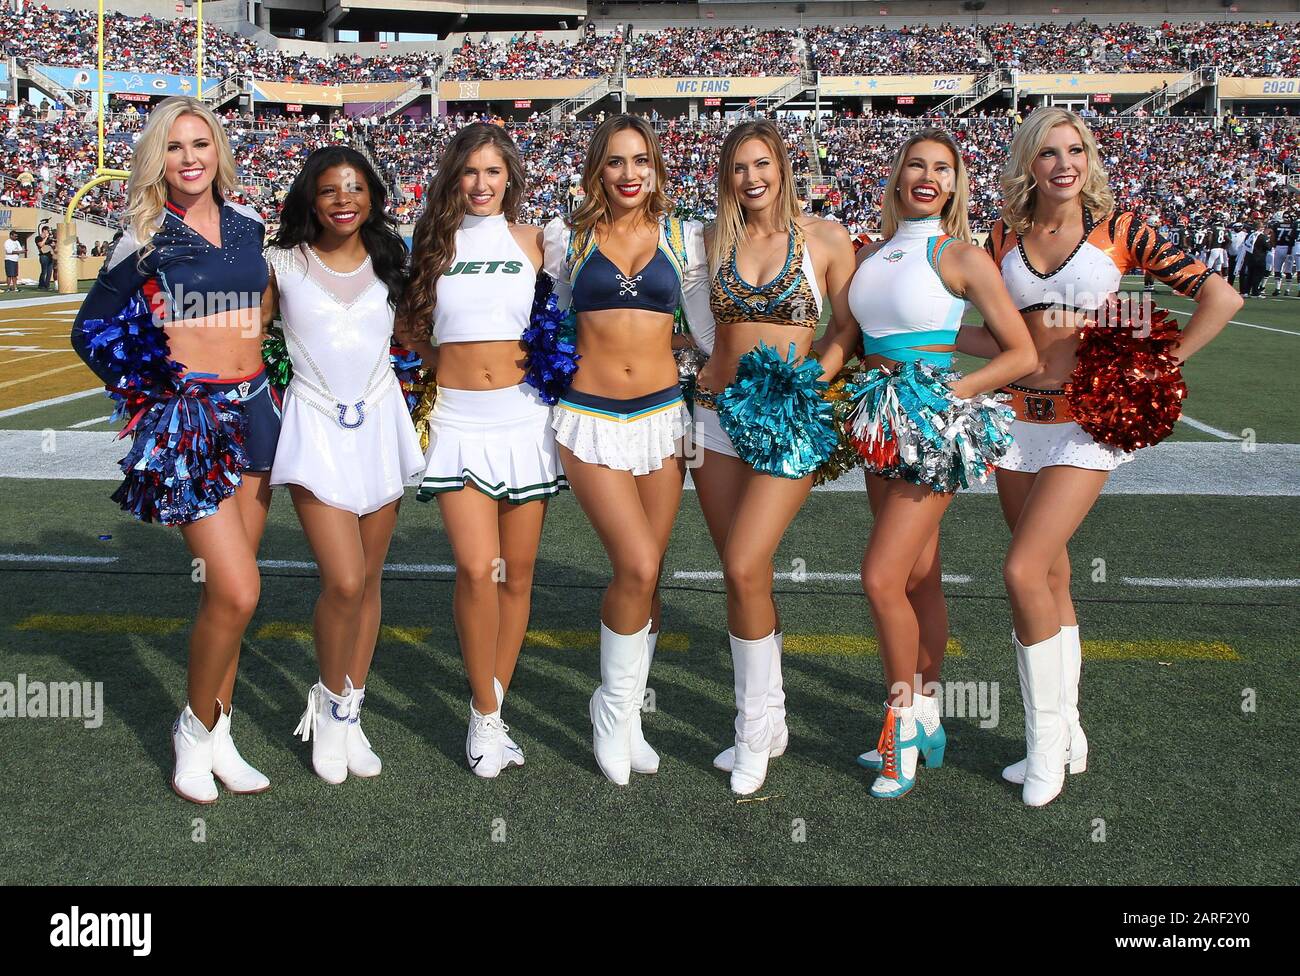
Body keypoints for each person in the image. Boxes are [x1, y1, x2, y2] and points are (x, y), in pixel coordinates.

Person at [974, 108, 1240, 807]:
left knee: (1022, 570)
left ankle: (1041, 749)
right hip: (1014, 423)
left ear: (1089, 159)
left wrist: (1162, 363)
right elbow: (1002, 339)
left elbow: (1222, 295)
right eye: (1050, 152)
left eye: (1076, 150)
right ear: (1028, 163)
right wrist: (917, 345)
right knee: (1052, 576)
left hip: (1086, 424)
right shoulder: (1002, 235)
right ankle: (1069, 734)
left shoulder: (1123, 231)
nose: (1064, 163)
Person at [70, 96, 278, 805]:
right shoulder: (146, 236)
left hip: (257, 414)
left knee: (238, 598)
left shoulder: (251, 228)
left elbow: (264, 318)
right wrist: (154, 392)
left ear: (218, 149)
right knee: (237, 586)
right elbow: (90, 331)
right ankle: (192, 729)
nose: (190, 158)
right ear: (157, 159)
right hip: (191, 423)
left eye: (201, 144)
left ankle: (220, 734)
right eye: (175, 147)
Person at [819, 128, 1036, 800]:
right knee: (918, 578)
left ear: (955, 184)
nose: (928, 176)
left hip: (930, 428)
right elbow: (845, 337)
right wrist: (800, 387)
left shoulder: (962, 257)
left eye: (942, 169)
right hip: (876, 421)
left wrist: (951, 394)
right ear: (896, 174)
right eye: (917, 164)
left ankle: (902, 726)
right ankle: (933, 716)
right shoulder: (870, 254)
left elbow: (1020, 353)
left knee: (880, 577)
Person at [541, 114, 710, 786]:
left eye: (641, 160)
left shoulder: (683, 237)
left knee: (652, 573)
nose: (630, 173)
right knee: (635, 563)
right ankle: (610, 711)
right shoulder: (568, 237)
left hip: (663, 418)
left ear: (656, 167)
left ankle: (632, 713)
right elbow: (547, 320)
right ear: (597, 172)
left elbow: (702, 329)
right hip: (589, 416)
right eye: (615, 162)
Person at [689, 120, 856, 795]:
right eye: (738, 168)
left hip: (789, 418)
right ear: (726, 177)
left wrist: (816, 378)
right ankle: (774, 716)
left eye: (762, 164)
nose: (752, 177)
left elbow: (847, 326)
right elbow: (694, 322)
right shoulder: (711, 239)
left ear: (784, 168)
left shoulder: (825, 238)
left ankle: (751, 732)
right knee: (742, 578)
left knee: (744, 561)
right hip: (715, 416)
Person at [396, 123, 565, 779]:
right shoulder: (435, 244)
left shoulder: (534, 241)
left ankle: (490, 711)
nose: (481, 184)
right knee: (476, 568)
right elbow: (411, 325)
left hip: (524, 419)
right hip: (461, 419)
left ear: (510, 180)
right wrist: (453, 369)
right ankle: (485, 709)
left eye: (493, 172)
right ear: (453, 178)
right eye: (470, 171)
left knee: (516, 575)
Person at [264, 146, 425, 785]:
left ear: (372, 198)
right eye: (329, 190)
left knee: (373, 581)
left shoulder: (391, 263)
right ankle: (329, 706)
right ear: (311, 198)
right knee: (345, 581)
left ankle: (351, 710)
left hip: (380, 424)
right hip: (314, 428)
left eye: (355, 188)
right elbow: (242, 338)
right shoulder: (279, 263)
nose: (343, 200)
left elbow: (424, 338)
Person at [36, 224, 55, 290]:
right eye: (47, 230)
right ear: (44, 230)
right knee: (44, 271)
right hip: (43, 256)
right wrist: (46, 238)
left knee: (49, 272)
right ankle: (41, 285)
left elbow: (53, 245)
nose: (48, 232)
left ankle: (47, 285)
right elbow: (40, 245)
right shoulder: (38, 238)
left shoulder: (49, 238)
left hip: (50, 256)